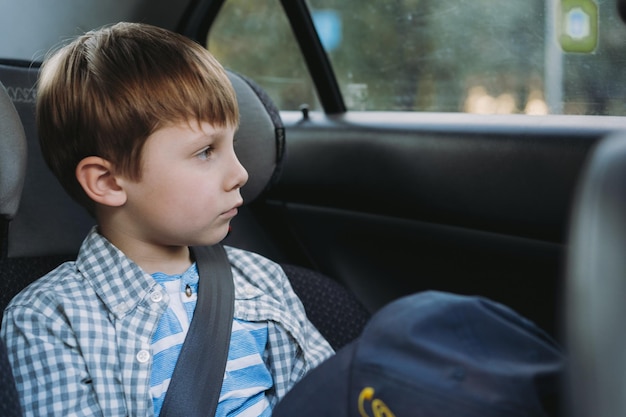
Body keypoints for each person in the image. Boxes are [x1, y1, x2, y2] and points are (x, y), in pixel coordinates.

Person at [0, 22, 333, 417]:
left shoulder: (261, 281)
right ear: (107, 182)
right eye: (206, 151)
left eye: (234, 144)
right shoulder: (49, 320)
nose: (240, 172)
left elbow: (327, 395)